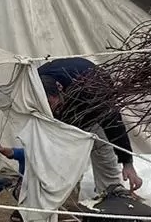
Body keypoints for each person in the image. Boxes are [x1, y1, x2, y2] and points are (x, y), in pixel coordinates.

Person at [35, 57, 143, 197]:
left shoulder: (94, 88)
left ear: (59, 89)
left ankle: (110, 190)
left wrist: (127, 162)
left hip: (89, 104)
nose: (48, 107)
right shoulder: (33, 82)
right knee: (51, 151)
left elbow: (113, 122)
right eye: (44, 104)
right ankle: (41, 195)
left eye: (49, 102)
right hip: (63, 113)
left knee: (100, 143)